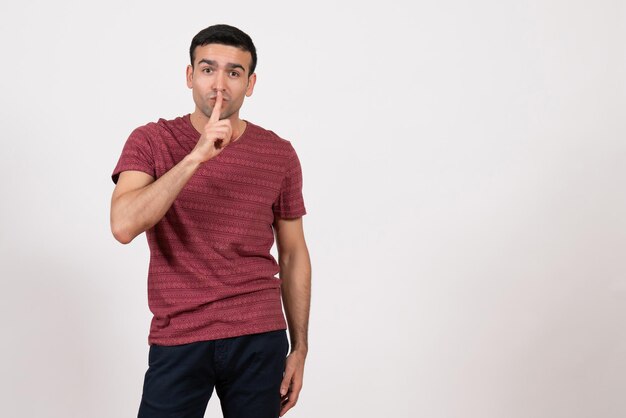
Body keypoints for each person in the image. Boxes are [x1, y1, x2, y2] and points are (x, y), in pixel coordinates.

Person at [110, 24, 311, 418]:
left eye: (234, 72)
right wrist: (195, 157)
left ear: (250, 83)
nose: (220, 83)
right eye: (208, 69)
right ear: (189, 76)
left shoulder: (278, 154)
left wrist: (300, 347)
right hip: (180, 333)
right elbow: (123, 225)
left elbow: (293, 254)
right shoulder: (152, 141)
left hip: (258, 333)